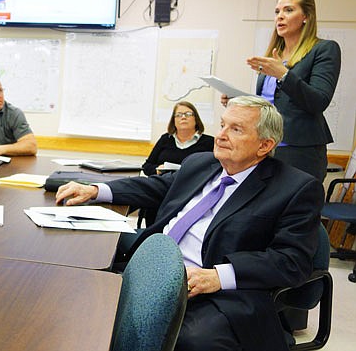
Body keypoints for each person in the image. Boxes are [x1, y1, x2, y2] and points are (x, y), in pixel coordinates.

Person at [55, 96, 323, 351]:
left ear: (264, 145)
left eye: (236, 129)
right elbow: (157, 187)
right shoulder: (201, 163)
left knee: (184, 340)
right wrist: (96, 190)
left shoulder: (295, 188)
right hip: (154, 267)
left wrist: (219, 276)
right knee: (80, 297)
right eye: (222, 125)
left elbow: (292, 260)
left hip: (214, 289)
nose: (221, 135)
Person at [222, 0, 340, 182]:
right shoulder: (274, 54)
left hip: (299, 151)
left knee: (295, 209)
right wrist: (240, 102)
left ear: (306, 17)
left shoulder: (324, 49)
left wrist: (284, 75)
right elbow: (270, 103)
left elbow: (319, 101)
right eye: (277, 12)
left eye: (288, 10)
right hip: (263, 147)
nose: (280, 17)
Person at [142, 101, 214, 176]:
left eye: (188, 114)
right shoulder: (165, 139)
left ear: (196, 119)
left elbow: (216, 169)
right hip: (162, 184)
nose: (183, 117)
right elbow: (147, 166)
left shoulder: (210, 142)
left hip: (193, 185)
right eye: (178, 115)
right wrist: (158, 169)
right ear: (174, 121)